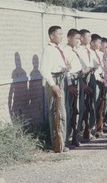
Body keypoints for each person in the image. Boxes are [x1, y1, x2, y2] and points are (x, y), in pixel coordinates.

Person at [39, 25, 71, 153]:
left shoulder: (60, 49)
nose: (61, 36)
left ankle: (63, 140)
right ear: (52, 36)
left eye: (62, 34)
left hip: (62, 78)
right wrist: (52, 84)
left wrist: (66, 68)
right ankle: (57, 142)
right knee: (56, 112)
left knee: (63, 111)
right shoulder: (48, 49)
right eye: (59, 34)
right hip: (54, 80)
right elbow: (44, 69)